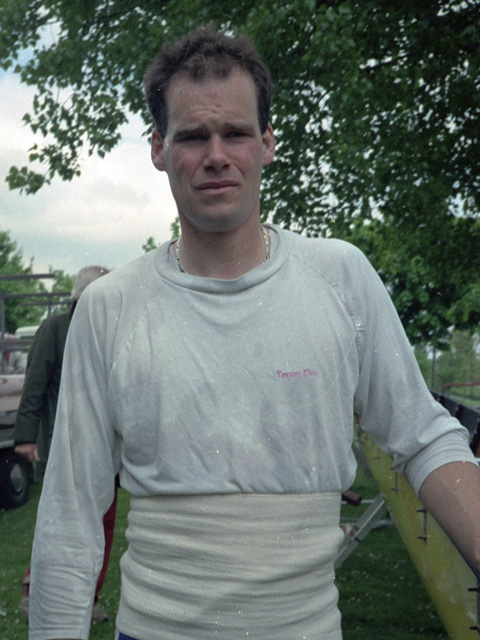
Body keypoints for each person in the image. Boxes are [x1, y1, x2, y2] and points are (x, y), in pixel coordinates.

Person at [29, 26, 480, 640]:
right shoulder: (111, 307)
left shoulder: (341, 278)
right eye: (193, 136)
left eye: (236, 133)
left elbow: (424, 437)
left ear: (267, 143)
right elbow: (70, 513)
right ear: (159, 148)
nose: (216, 155)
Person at [14, 266, 114, 624]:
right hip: (65, 443)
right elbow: (35, 384)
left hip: (105, 448)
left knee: (103, 523)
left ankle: (88, 599)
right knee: (60, 524)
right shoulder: (55, 329)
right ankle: (34, 594)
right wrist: (26, 436)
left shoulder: (110, 331)